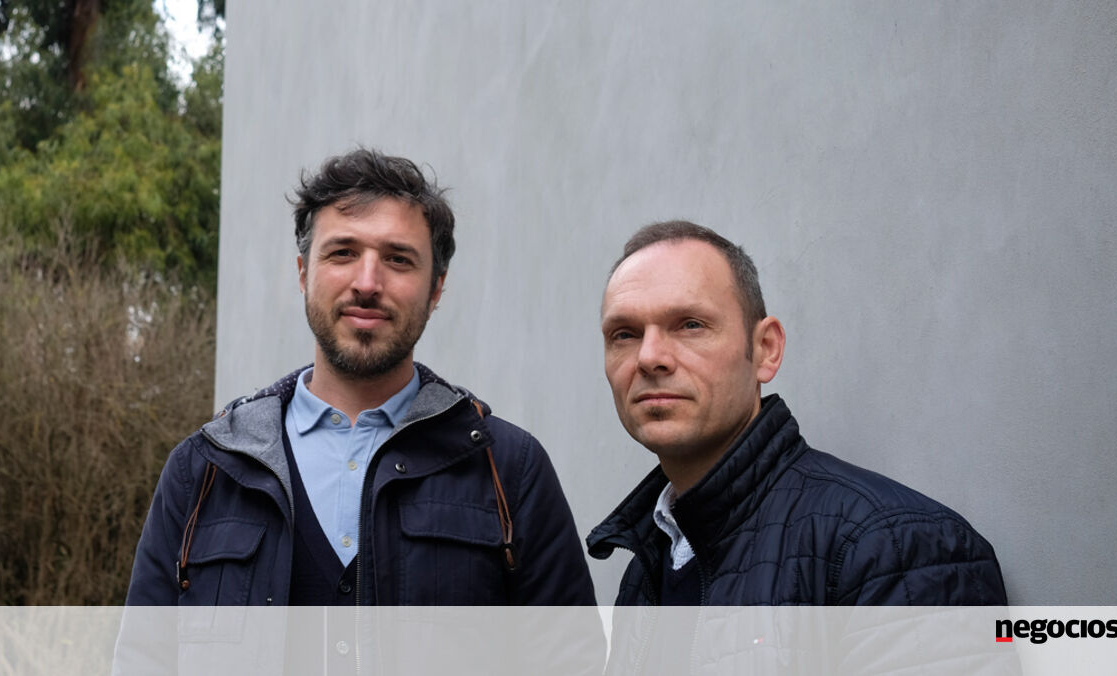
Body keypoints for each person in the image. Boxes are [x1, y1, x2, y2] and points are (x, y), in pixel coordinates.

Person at [119, 149, 598, 674]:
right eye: (343, 252)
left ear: (436, 288)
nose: (367, 282)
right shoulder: (203, 471)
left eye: (398, 259)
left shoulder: (509, 469)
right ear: (303, 273)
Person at [587, 221, 1008, 672]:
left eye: (690, 325)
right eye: (624, 334)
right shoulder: (649, 564)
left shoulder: (896, 546)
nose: (650, 357)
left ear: (766, 349)